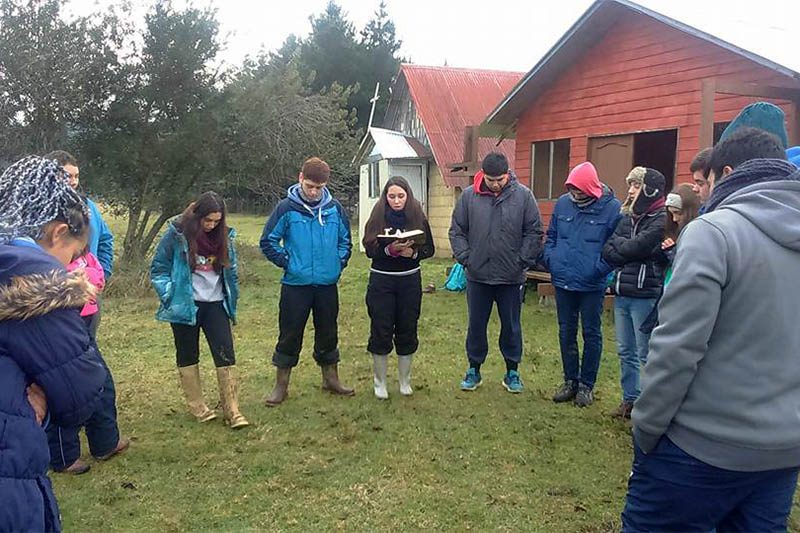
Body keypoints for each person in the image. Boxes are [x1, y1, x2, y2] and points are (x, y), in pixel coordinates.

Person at [622, 129, 800, 531]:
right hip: (783, 451)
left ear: (726, 173)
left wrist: (646, 427)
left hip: (699, 447)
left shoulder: (713, 232)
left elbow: (677, 349)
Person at [0, 155, 108, 532]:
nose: (71, 266)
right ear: (59, 233)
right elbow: (80, 393)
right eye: (74, 255)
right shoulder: (34, 282)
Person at [150, 192, 249, 428]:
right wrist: (169, 294)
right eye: (207, 220)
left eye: (216, 221)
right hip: (185, 305)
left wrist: (232, 297)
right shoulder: (177, 235)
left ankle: (232, 410)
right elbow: (158, 268)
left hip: (216, 304)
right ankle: (198, 407)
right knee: (187, 354)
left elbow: (230, 270)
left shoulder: (224, 237)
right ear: (197, 216)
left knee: (225, 353)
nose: (211, 225)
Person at [260, 157, 354, 405]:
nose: (313, 192)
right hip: (295, 285)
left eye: (319, 187)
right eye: (310, 185)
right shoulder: (286, 209)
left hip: (326, 285)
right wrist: (287, 262)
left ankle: (330, 378)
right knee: (290, 334)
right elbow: (268, 241)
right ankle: (281, 386)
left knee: (328, 331)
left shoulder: (335, 209)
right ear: (301, 178)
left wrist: (338, 262)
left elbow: (346, 242)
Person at [449, 152, 543, 393]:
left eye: (500, 179)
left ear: (507, 174)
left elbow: (534, 231)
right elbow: (457, 230)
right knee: (476, 325)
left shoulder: (524, 196)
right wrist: (466, 258)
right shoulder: (469, 197)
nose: (496, 184)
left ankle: (512, 371)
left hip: (511, 277)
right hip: (478, 275)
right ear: (484, 176)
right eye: (491, 180)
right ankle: (474, 370)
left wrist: (523, 260)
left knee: (511, 325)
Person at [45, 244, 129, 475]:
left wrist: (90, 282)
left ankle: (105, 442)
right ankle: (63, 456)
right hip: (61, 325)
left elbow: (97, 273)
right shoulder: (47, 258)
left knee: (101, 382)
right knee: (66, 389)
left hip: (86, 324)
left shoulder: (84, 254)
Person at [543, 162, 621, 407]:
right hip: (564, 279)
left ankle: (587, 385)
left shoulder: (611, 209)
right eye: (571, 190)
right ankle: (570, 381)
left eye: (578, 190)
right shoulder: (564, 204)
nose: (574, 195)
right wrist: (551, 260)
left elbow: (614, 247)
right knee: (566, 332)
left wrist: (598, 270)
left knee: (591, 333)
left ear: (590, 188)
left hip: (592, 284)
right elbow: (552, 236)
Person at [601, 167, 666, 419]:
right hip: (622, 291)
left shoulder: (661, 218)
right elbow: (609, 249)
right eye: (630, 185)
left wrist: (627, 249)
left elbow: (636, 247)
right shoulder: (627, 217)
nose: (630, 191)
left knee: (645, 353)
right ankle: (630, 400)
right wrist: (628, 249)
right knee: (624, 350)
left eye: (636, 186)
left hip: (645, 293)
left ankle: (650, 407)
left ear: (649, 190)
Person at [362, 176, 435, 399]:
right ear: (386, 197)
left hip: (409, 281)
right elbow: (369, 249)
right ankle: (380, 383)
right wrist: (389, 250)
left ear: (408, 196)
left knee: (407, 328)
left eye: (400, 196)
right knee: (381, 329)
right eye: (391, 196)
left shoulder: (418, 217)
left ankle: (405, 381)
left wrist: (412, 253)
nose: (396, 201)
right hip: (382, 281)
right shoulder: (377, 217)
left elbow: (429, 249)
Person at [44, 150, 114, 339]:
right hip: (52, 292)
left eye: (76, 176)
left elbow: (106, 239)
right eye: (68, 176)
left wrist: (102, 273)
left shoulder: (88, 205)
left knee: (88, 344)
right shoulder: (40, 210)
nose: (73, 181)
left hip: (88, 292)